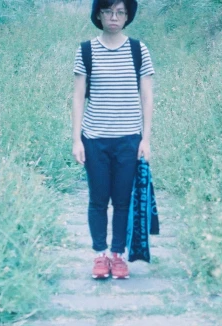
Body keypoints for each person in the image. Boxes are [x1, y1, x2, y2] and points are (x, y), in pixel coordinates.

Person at [71, 0, 154, 280]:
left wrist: (146, 139)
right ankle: (100, 255)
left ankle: (118, 256)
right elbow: (77, 97)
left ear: (127, 15)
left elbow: (147, 97)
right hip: (94, 139)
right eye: (108, 11)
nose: (114, 17)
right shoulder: (86, 51)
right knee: (97, 200)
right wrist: (76, 140)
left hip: (129, 139)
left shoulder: (137, 50)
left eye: (120, 11)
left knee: (121, 201)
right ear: (99, 15)